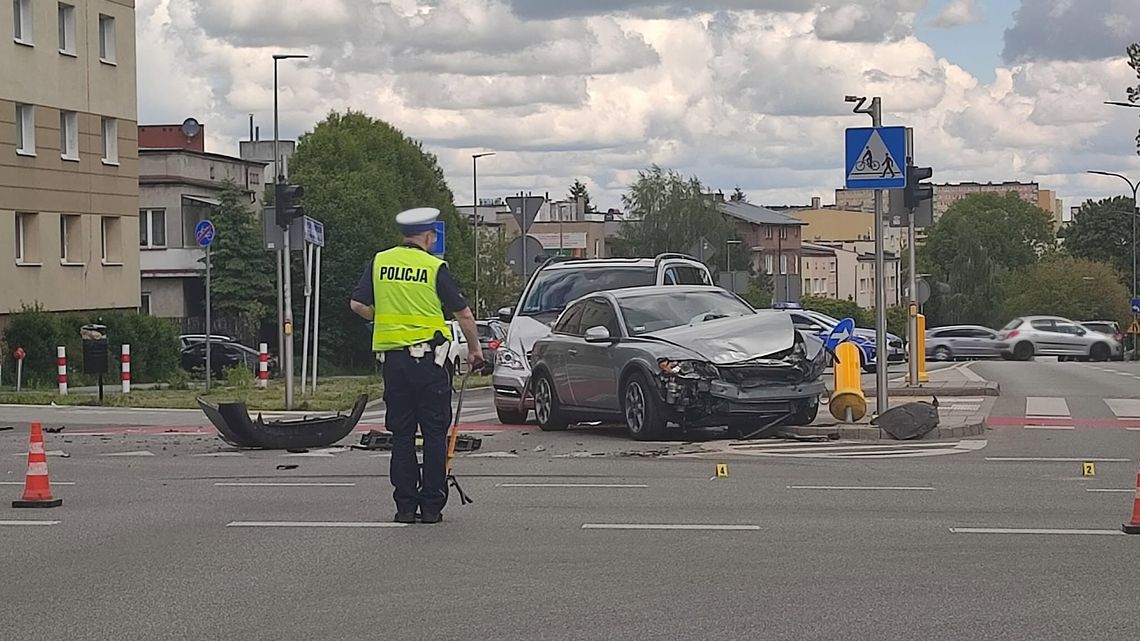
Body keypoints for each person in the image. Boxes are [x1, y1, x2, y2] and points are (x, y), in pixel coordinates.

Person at [349, 207, 484, 524]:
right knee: (435, 434)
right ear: (428, 236)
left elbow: (357, 304)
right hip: (430, 365)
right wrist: (475, 350)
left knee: (403, 435)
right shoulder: (434, 267)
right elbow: (463, 313)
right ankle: (432, 507)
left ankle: (405, 507)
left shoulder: (380, 262)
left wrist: (380, 320)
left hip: (395, 364)